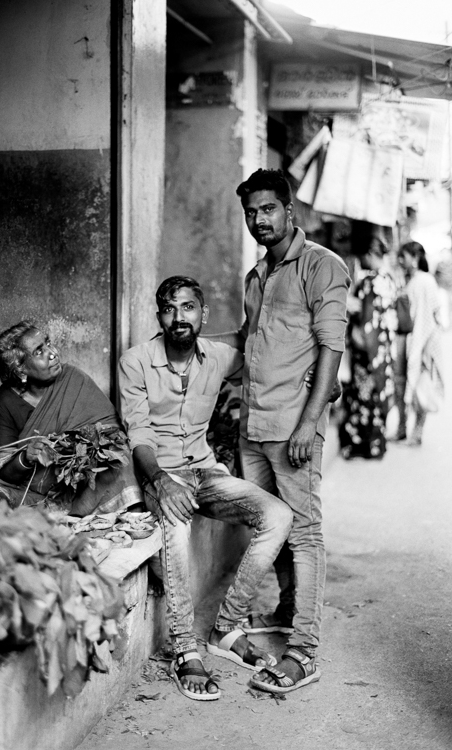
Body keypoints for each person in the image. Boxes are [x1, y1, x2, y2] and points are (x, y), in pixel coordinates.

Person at [118, 276, 293, 702]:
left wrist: (318, 380)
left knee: (278, 515)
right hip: (163, 474)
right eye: (169, 308)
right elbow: (138, 434)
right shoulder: (135, 362)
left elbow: (265, 351)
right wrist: (159, 482)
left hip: (205, 471)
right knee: (175, 524)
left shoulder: (217, 356)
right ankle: (184, 649)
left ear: (203, 314)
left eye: (188, 307)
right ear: (157, 315)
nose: (179, 317)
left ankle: (224, 626)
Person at [213, 169, 350, 695]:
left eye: (268, 209)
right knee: (273, 526)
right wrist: (182, 345)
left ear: (289, 211)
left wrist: (310, 422)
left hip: (293, 427)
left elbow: (330, 346)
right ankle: (288, 609)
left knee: (306, 535)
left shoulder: (321, 266)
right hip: (254, 425)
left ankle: (304, 651)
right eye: (251, 213)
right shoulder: (257, 277)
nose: (259, 220)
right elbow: (248, 343)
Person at [0, 320, 141, 514]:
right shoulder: (6, 401)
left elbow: (112, 431)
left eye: (48, 343)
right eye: (39, 352)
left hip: (86, 484)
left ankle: (98, 513)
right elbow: (2, 470)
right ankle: (60, 512)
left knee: (120, 461)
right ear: (20, 369)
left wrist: (84, 447)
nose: (52, 353)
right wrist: (25, 458)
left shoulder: (74, 379)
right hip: (38, 489)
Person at [339, 237, 397, 459]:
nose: (362, 260)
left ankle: (360, 443)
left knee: (362, 396)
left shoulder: (369, 282)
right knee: (375, 395)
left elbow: (362, 314)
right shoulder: (388, 279)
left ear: (370, 255)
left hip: (365, 350)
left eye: (364, 256)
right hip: (382, 350)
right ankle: (376, 443)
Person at [395, 242, 444, 446]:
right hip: (407, 341)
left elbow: (432, 315)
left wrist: (425, 347)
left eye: (403, 256)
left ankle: (416, 431)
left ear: (414, 258)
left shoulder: (425, 281)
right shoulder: (412, 279)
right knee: (402, 384)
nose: (400, 260)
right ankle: (402, 428)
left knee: (420, 386)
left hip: (422, 343)